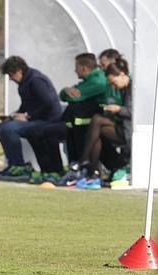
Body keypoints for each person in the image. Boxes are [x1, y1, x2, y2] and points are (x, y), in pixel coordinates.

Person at [53, 52, 116, 186]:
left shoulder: (98, 80)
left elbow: (75, 96)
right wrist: (65, 90)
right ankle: (81, 167)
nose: (74, 70)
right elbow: (66, 95)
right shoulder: (89, 80)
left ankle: (84, 168)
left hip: (104, 121)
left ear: (83, 68)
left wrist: (67, 92)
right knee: (72, 122)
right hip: (88, 122)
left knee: (82, 121)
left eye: (76, 67)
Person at [0, 56, 62, 180]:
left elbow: (48, 103)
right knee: (1, 127)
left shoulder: (36, 80)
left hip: (47, 120)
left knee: (8, 129)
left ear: (19, 70)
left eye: (11, 74)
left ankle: (20, 166)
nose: (10, 78)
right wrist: (16, 115)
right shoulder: (24, 82)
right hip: (35, 118)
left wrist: (28, 117)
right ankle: (13, 163)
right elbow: (27, 103)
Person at [75, 57, 132, 190]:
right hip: (124, 126)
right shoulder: (124, 89)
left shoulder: (134, 89)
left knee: (97, 121)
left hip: (131, 131)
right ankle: (91, 171)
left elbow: (137, 113)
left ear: (122, 74)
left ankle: (86, 164)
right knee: (97, 126)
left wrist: (118, 109)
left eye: (114, 82)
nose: (114, 86)